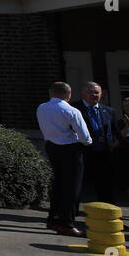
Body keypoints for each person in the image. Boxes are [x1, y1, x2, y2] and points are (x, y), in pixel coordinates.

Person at [36, 81, 91, 236]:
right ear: (68, 93)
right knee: (72, 187)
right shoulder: (72, 111)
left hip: (51, 146)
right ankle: (67, 223)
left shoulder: (41, 108)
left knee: (58, 183)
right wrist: (87, 142)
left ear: (51, 92)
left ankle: (53, 218)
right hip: (71, 148)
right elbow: (85, 137)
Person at [75, 81, 118, 203]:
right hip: (82, 151)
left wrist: (116, 142)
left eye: (97, 92)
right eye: (91, 92)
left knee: (105, 184)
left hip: (103, 152)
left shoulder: (109, 111)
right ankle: (73, 211)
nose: (94, 94)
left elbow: (115, 131)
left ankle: (108, 210)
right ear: (83, 93)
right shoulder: (74, 109)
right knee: (79, 184)